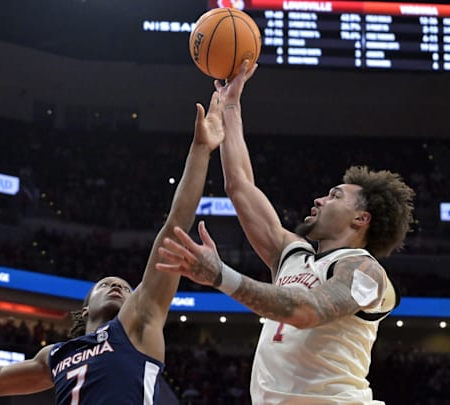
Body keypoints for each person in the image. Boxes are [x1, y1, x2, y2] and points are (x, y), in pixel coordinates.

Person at [0, 91, 227, 404]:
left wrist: (200, 149)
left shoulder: (138, 322)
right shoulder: (56, 355)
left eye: (125, 287)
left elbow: (174, 226)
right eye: (106, 284)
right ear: (83, 311)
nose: (117, 285)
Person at [155, 60, 415, 404]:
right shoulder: (291, 253)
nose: (320, 199)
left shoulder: (364, 270)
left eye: (335, 196)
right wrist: (231, 106)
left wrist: (221, 276)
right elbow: (240, 186)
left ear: (361, 219)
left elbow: (306, 311)